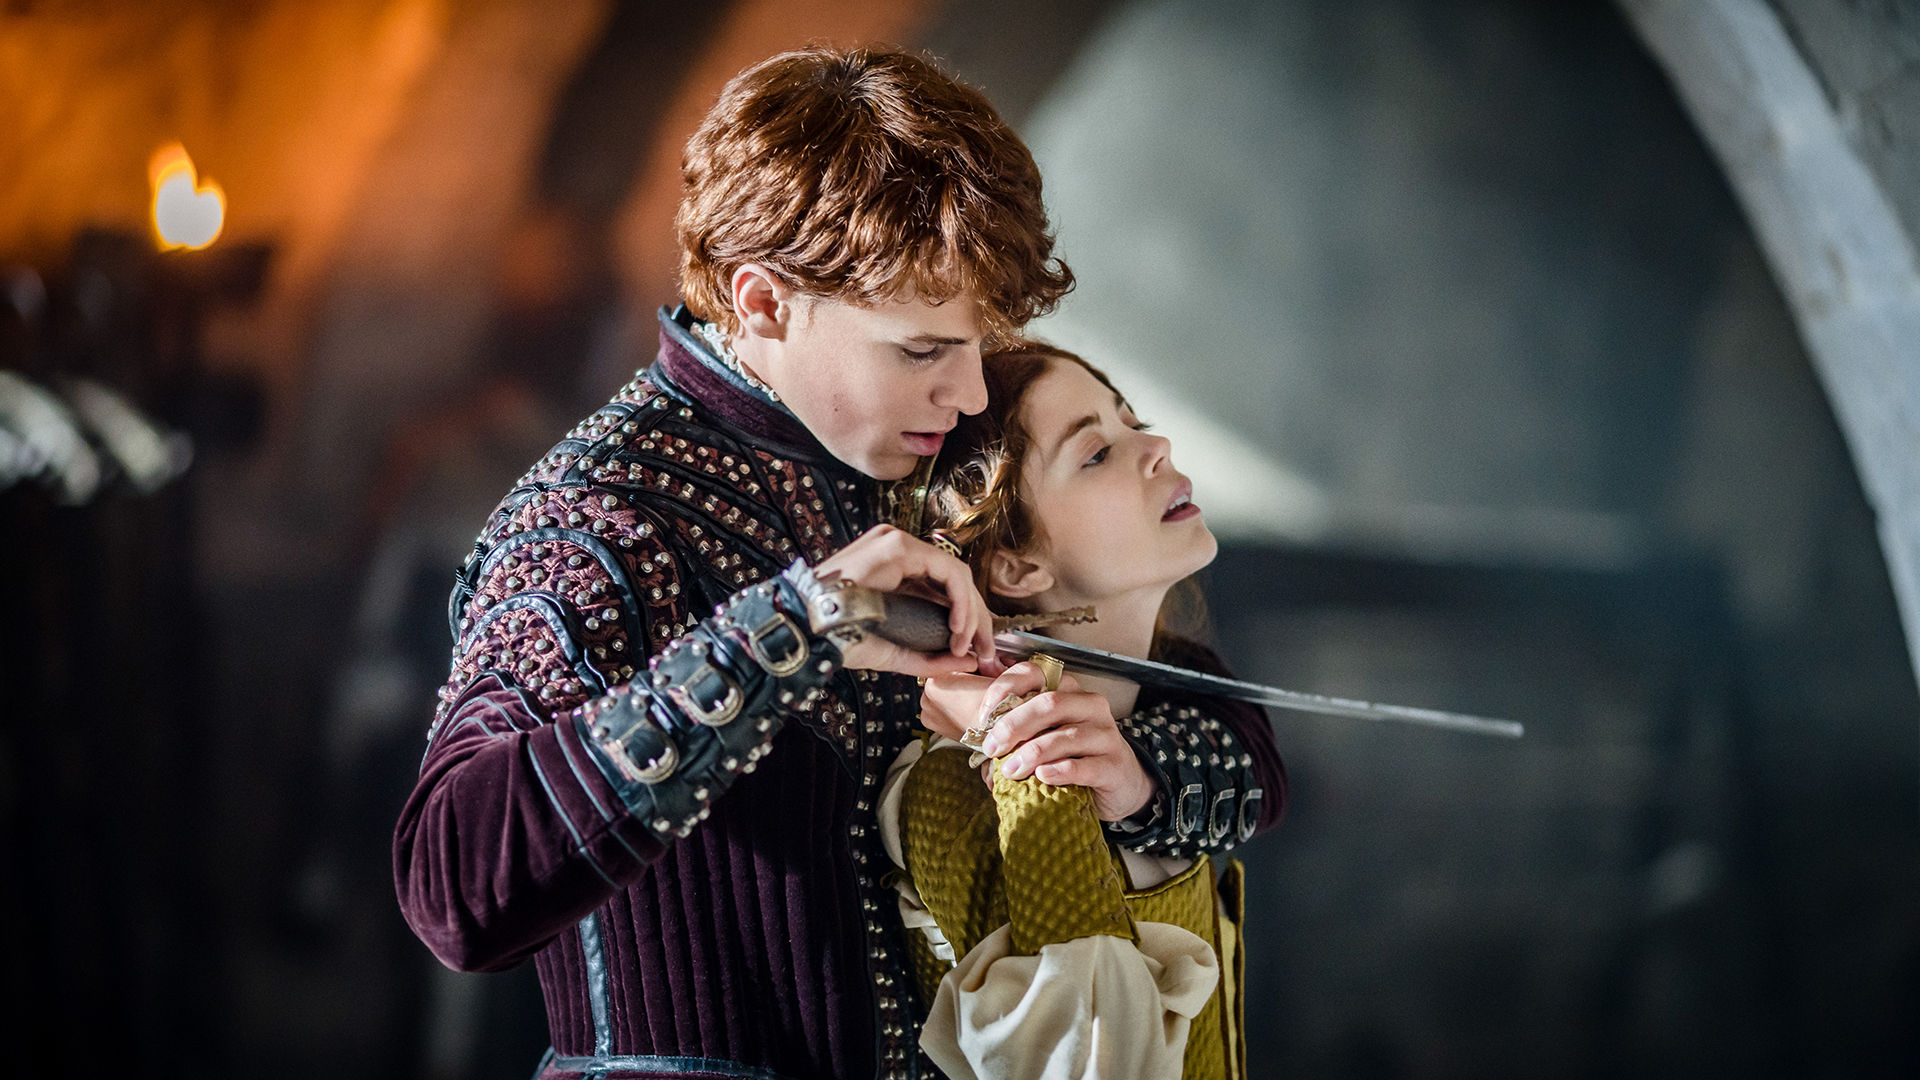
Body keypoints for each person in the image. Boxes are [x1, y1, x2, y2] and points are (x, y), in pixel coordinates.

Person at [393, 45, 1275, 1080]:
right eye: (922, 350)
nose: (969, 394)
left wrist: (1136, 775)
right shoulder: (595, 521)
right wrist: (788, 628)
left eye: (973, 344)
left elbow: (1233, 735)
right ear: (762, 301)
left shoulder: (907, 454)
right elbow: (451, 894)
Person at [880, 341, 1286, 1078]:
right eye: (1096, 453)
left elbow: (1262, 777)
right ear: (1017, 566)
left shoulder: (1179, 697)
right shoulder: (969, 787)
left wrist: (1141, 780)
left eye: (1136, 424)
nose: (1158, 448)